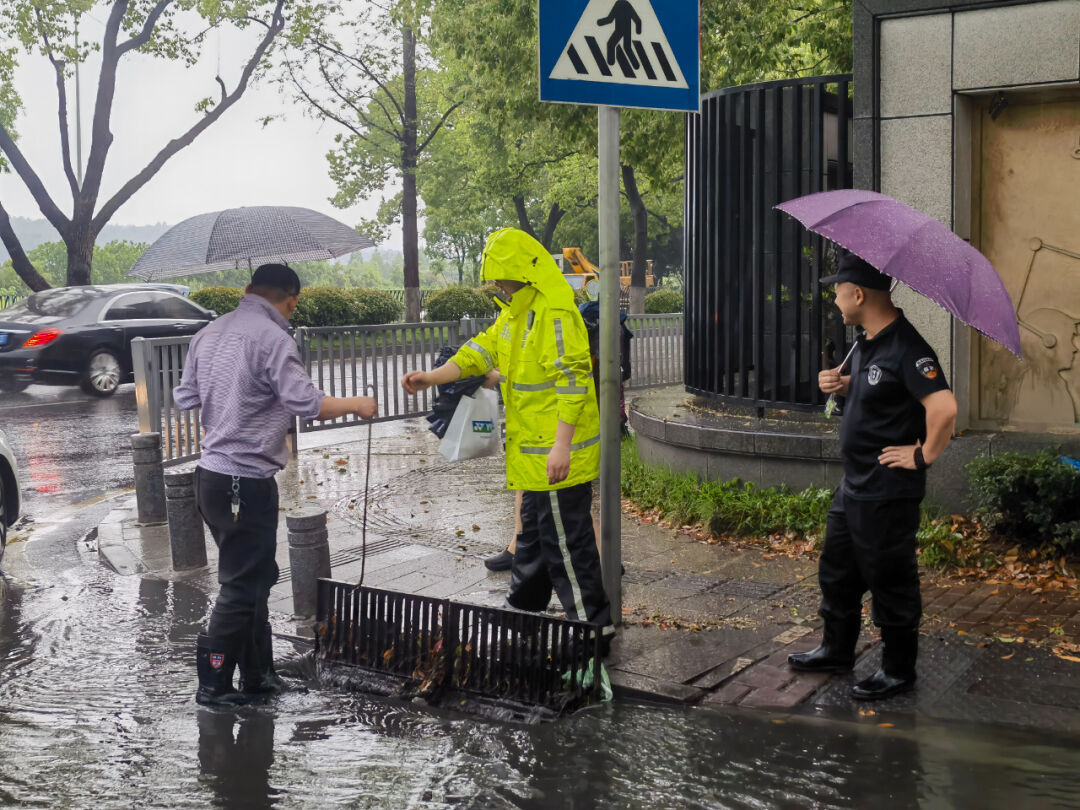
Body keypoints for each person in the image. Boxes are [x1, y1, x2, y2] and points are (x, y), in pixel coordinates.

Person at [174, 263, 377, 708]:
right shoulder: (274, 339)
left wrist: (227, 399)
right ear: (292, 300)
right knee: (242, 586)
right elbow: (307, 404)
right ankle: (212, 686)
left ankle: (259, 677)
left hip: (210, 477)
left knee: (253, 579)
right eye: (292, 306)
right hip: (243, 483)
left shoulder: (207, 334)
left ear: (247, 290)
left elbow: (185, 397)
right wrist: (358, 404)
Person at [402, 228, 612, 637]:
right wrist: (431, 377)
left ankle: (593, 631)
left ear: (522, 273)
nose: (498, 285)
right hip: (534, 455)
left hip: (554, 455)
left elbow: (573, 382)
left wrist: (562, 447)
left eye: (502, 278)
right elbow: (477, 353)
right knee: (531, 537)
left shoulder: (554, 313)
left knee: (569, 547)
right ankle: (523, 609)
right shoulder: (516, 312)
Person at [787, 253, 957, 700]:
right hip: (854, 486)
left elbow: (944, 409)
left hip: (886, 490)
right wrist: (844, 387)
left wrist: (922, 456)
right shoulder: (865, 343)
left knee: (889, 578)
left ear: (858, 294)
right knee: (838, 572)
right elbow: (882, 394)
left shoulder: (908, 347)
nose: (835, 299)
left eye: (838, 292)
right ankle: (836, 650)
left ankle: (899, 670)